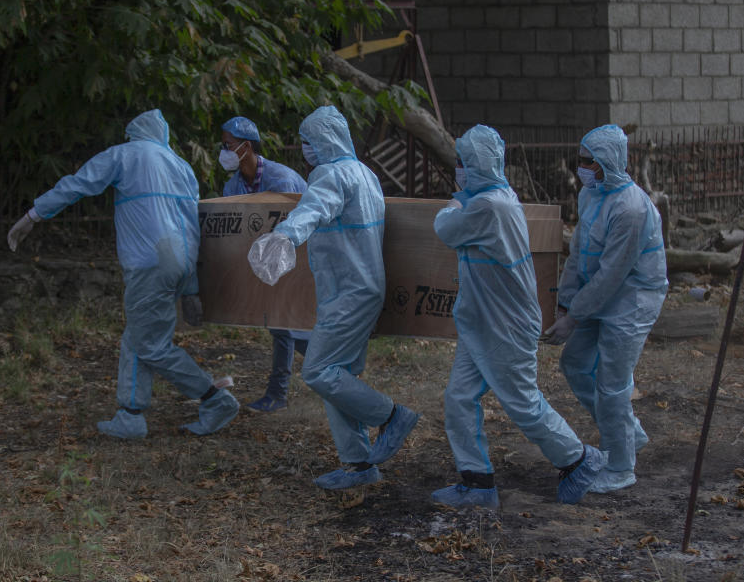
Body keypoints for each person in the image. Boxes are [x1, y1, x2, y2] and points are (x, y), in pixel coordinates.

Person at [7, 109, 239, 439]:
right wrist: (190, 286)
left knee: (152, 345)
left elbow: (78, 184)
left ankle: (214, 398)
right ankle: (130, 415)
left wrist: (33, 214)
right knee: (137, 336)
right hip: (179, 260)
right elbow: (192, 226)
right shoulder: (181, 166)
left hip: (149, 262)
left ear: (134, 134)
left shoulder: (125, 155)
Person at [430, 125, 606, 509]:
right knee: (459, 398)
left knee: (522, 402)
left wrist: (452, 203)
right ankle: (477, 482)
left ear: (477, 166)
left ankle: (578, 459)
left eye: (462, 163)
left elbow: (445, 228)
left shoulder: (487, 206)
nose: (457, 169)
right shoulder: (494, 196)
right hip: (484, 322)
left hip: (505, 326)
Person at [248, 105, 420, 490]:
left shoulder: (331, 175)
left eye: (307, 141)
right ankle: (358, 465)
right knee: (340, 375)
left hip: (348, 291)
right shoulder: (365, 173)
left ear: (322, 141)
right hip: (361, 287)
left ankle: (391, 416)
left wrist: (285, 236)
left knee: (318, 371)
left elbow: (313, 209)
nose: (305, 148)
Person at [543, 124, 667, 493]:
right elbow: (580, 250)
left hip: (632, 300)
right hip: (599, 296)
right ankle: (627, 432)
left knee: (612, 385)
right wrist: (564, 304)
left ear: (606, 162)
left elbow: (614, 274)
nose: (580, 167)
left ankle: (620, 465)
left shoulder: (631, 209)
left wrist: (575, 316)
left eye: (587, 161)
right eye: (581, 160)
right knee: (576, 364)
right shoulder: (591, 195)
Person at [218, 116, 311, 413]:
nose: (224, 151)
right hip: (265, 260)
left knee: (282, 323)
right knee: (287, 324)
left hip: (297, 253)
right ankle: (334, 367)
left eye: (228, 145)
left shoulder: (280, 180)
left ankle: (278, 393)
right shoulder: (232, 187)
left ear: (246, 147)